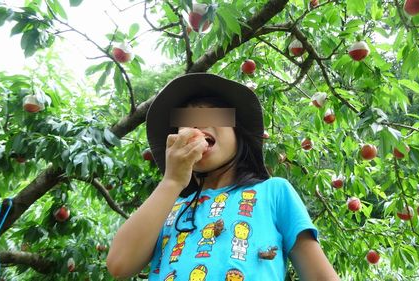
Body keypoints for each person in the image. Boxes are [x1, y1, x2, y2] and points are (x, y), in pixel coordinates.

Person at [106, 73, 340, 280]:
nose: (196, 124)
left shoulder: (273, 192)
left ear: (239, 134)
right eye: (184, 122)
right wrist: (172, 181)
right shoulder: (168, 208)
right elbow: (119, 264)